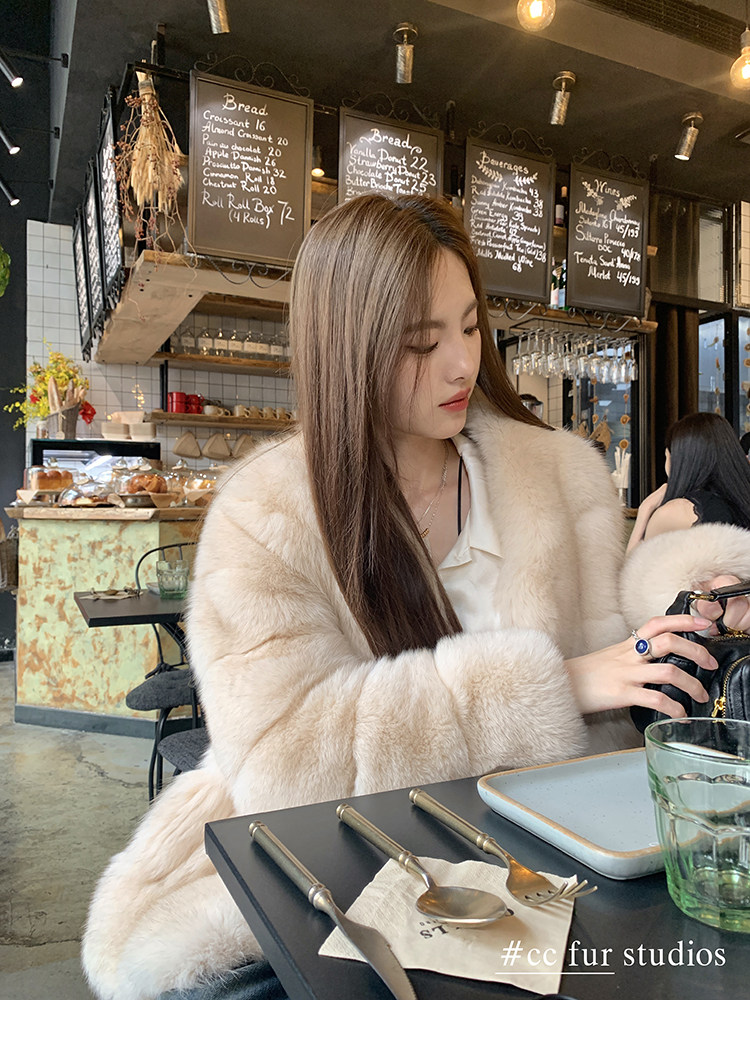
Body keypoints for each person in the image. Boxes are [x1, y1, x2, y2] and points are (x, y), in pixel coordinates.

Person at [82, 195, 750, 999]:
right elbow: (288, 762)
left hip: (557, 848)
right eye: (422, 344)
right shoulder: (267, 515)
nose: (462, 364)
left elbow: (616, 606)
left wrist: (703, 588)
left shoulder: (553, 469)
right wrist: (554, 684)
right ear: (349, 348)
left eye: (469, 327)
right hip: (337, 867)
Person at [627, 412, 750, 554]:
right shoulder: (741, 503)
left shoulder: (674, 513)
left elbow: (636, 566)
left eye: (667, 457)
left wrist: (645, 509)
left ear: (679, 462)